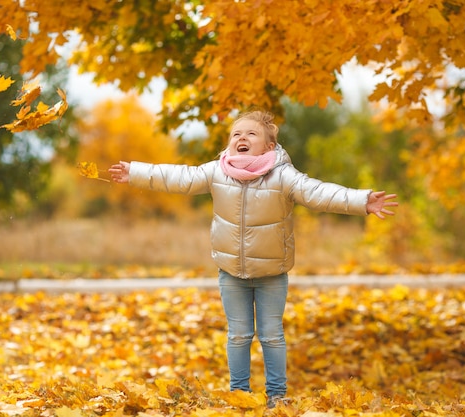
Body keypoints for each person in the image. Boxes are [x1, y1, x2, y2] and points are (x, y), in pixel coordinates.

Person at [109, 110, 398, 408]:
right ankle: (240, 395)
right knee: (238, 335)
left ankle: (276, 396)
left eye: (251, 134)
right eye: (236, 134)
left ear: (269, 147)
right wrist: (135, 172)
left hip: (272, 273)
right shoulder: (217, 171)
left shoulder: (283, 175)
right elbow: (178, 177)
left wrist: (361, 200)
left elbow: (318, 193)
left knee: (271, 335)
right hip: (231, 272)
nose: (242, 138)